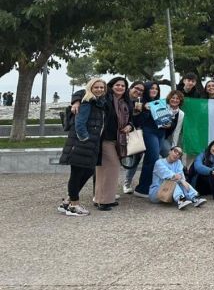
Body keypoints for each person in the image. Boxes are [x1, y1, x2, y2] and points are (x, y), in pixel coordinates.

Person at [58, 78, 107, 216]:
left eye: (101, 88)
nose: (99, 90)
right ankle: (74, 205)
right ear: (90, 88)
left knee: (88, 171)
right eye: (96, 87)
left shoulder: (99, 103)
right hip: (82, 144)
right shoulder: (87, 102)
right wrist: (85, 138)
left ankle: (67, 201)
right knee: (76, 174)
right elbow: (80, 123)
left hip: (90, 145)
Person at [97, 76, 132, 210]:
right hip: (105, 138)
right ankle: (104, 201)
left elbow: (131, 120)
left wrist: (130, 126)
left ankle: (103, 199)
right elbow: (84, 93)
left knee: (104, 169)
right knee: (111, 167)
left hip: (118, 140)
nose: (120, 88)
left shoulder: (125, 102)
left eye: (123, 86)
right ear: (111, 86)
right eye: (117, 85)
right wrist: (76, 101)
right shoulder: (105, 98)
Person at [133, 81, 164, 199]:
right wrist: (144, 110)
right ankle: (142, 188)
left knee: (153, 159)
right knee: (152, 159)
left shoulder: (160, 103)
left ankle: (151, 185)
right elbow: (137, 121)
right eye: (151, 88)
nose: (154, 90)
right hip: (148, 132)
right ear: (146, 90)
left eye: (156, 88)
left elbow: (163, 120)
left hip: (160, 133)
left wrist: (167, 124)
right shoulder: (140, 102)